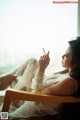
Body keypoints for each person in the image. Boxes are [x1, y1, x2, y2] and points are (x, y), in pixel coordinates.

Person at [1, 36, 80, 118]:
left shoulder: (70, 83)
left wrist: (42, 69)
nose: (62, 56)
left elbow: (39, 94)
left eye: (66, 55)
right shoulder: (67, 73)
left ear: (76, 63)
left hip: (34, 103)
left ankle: (3, 115)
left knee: (13, 83)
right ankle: (5, 79)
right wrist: (42, 68)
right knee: (31, 63)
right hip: (36, 95)